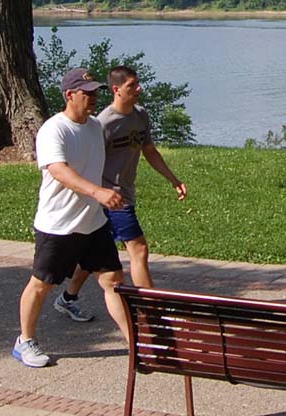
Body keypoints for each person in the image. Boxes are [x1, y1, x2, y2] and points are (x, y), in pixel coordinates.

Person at [12, 67, 129, 368]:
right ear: (69, 95)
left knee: (113, 281)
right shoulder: (54, 129)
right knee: (41, 283)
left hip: (93, 223)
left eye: (95, 93)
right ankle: (24, 341)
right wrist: (98, 192)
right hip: (58, 225)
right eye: (86, 93)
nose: (93, 98)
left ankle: (136, 344)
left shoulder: (93, 127)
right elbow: (59, 170)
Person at [52, 65, 187, 322]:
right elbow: (84, 160)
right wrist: (95, 192)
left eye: (138, 84)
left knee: (94, 258)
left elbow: (150, 151)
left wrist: (173, 179)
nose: (139, 89)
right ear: (116, 90)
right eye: (132, 86)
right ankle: (153, 311)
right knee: (139, 250)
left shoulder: (140, 115)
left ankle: (67, 299)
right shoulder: (103, 123)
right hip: (111, 198)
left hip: (125, 194)